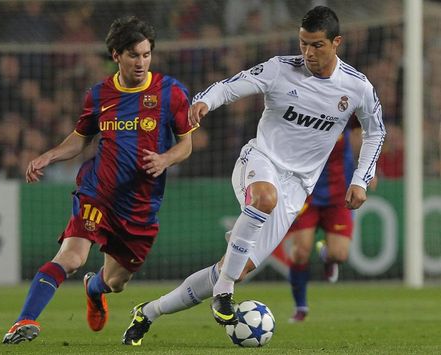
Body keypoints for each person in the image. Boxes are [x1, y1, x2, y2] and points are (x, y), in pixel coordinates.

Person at [122, 5, 385, 346]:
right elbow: (233, 86)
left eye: (317, 45)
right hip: (259, 160)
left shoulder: (357, 87)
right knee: (263, 198)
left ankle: (149, 312)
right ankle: (224, 293)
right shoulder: (280, 69)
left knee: (234, 266)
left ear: (337, 42)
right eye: (303, 43)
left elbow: (375, 132)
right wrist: (204, 102)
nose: (308, 52)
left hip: (297, 188)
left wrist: (360, 179)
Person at [2, 16, 194, 344]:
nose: (141, 62)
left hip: (140, 205)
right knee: (71, 257)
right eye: (134, 55)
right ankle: (23, 321)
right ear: (116, 54)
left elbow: (185, 145)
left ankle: (94, 288)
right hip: (99, 192)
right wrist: (48, 155)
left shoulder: (170, 92)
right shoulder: (100, 94)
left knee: (117, 282)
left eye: (147, 54)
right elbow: (80, 139)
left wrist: (164, 158)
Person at [286, 123, 359, 323]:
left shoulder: (345, 110)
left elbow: (367, 134)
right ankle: (300, 307)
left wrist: (367, 171)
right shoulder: (304, 113)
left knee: (340, 254)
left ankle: (327, 255)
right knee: (300, 252)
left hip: (338, 195)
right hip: (306, 194)